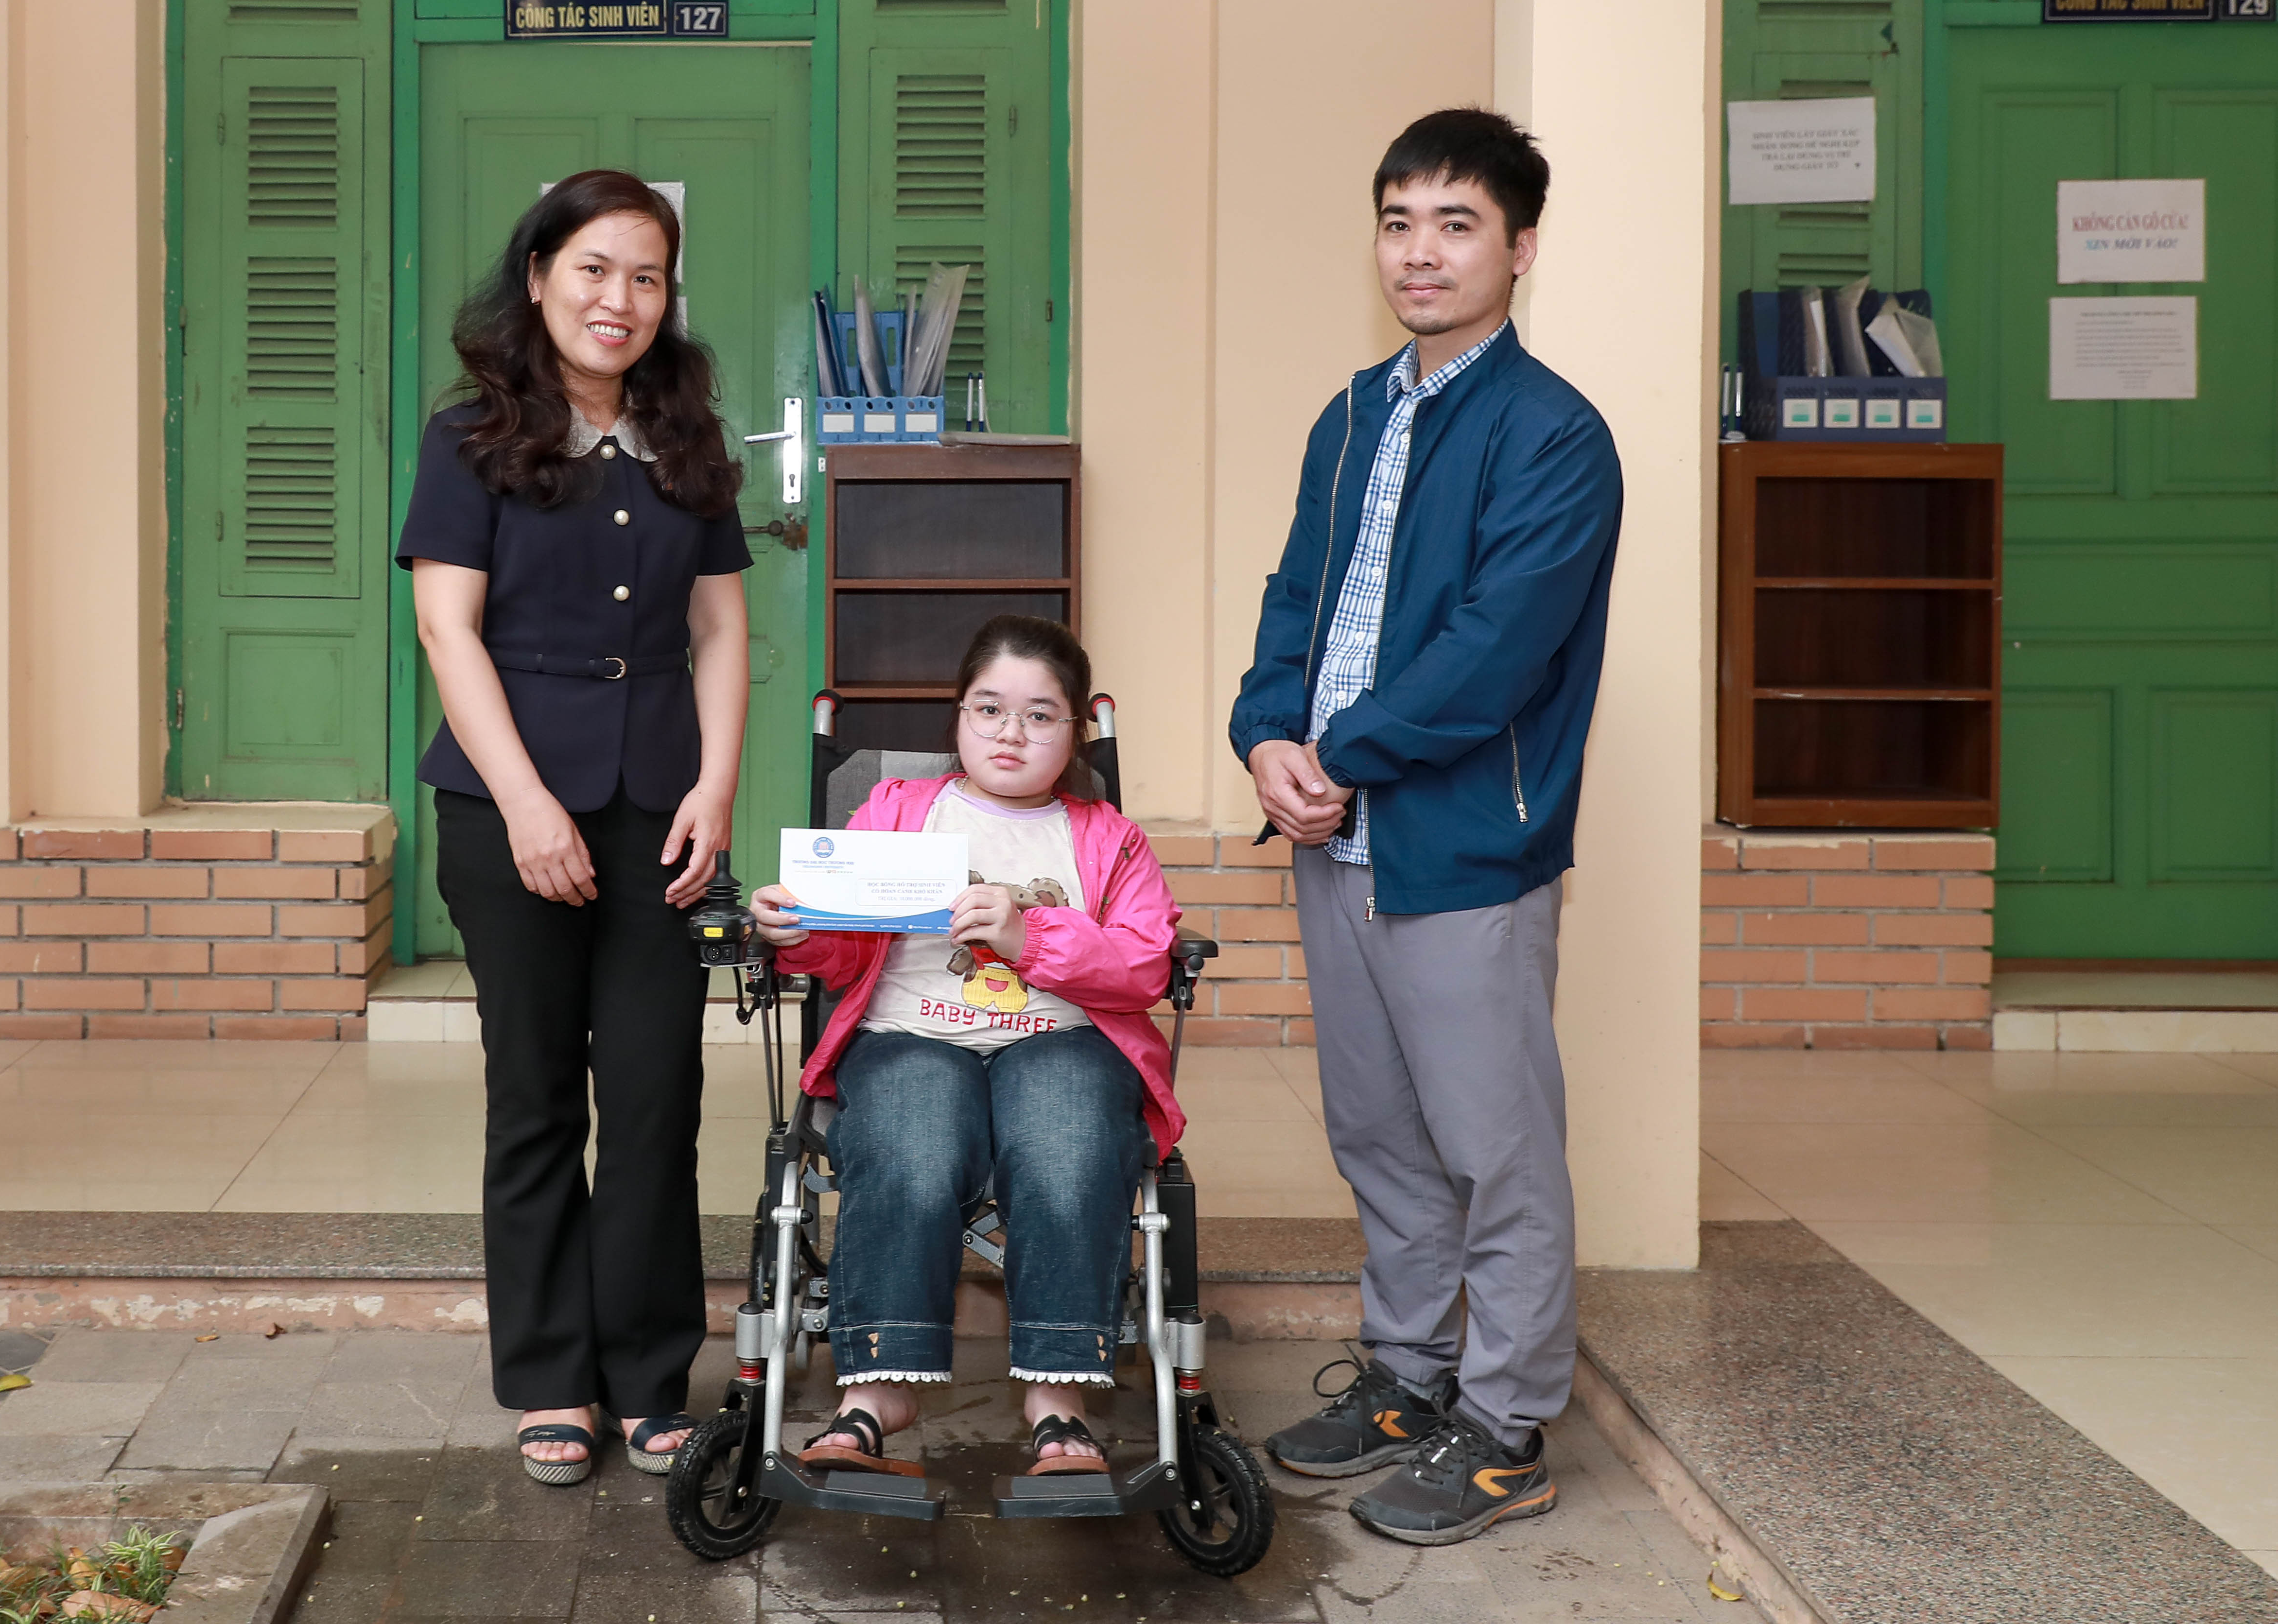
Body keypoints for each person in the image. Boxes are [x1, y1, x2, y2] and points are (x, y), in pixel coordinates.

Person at [1229, 108, 1622, 1545]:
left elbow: (1493, 649)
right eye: (1398, 222)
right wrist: (1264, 734)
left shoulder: (1554, 434)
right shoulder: (1352, 415)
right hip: (1335, 839)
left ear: (1520, 247)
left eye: (1456, 224)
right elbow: (1296, 600)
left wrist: (1340, 752)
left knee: (1493, 1149)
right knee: (1380, 1136)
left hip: (1460, 847)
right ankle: (1408, 1376)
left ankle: (1507, 1426)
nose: (1419, 252)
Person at [398, 170, 751, 1486]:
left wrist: (716, 787)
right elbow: (448, 630)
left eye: (646, 277)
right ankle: (553, 1375)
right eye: (595, 269)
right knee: (536, 1094)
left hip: (660, 810)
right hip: (508, 810)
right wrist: (527, 802)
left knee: (658, 1094)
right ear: (539, 274)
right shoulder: (469, 439)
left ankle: (648, 1375)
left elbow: (720, 626)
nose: (621, 299)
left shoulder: (685, 439)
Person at [746, 615, 1185, 1477]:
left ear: (1075, 731)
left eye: (1039, 715)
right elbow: (843, 946)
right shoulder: (899, 811)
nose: (1010, 734)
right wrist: (795, 930)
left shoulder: (1108, 836)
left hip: (1063, 1040)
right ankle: (878, 1390)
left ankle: (1058, 1400)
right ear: (959, 717)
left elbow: (1143, 966)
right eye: (989, 709)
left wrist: (1029, 937)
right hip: (910, 1034)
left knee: (1067, 1143)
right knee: (911, 1140)